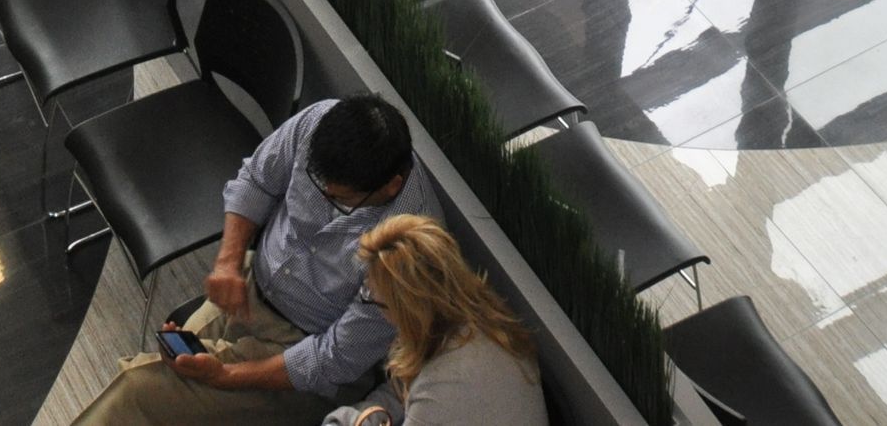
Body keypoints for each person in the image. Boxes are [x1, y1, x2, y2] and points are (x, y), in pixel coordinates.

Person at [70, 94, 442, 423]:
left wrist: (226, 377)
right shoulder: (319, 122)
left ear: (390, 186)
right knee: (162, 380)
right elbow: (256, 181)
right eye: (318, 186)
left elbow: (333, 360)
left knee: (139, 388)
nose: (325, 197)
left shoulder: (409, 248)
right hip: (247, 287)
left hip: (299, 353)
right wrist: (228, 265)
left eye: (340, 199)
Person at [324, 214, 547, 426]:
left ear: (409, 309)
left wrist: (343, 419)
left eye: (379, 302)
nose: (374, 304)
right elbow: (401, 391)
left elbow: (423, 394)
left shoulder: (448, 379)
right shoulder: (474, 322)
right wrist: (357, 417)